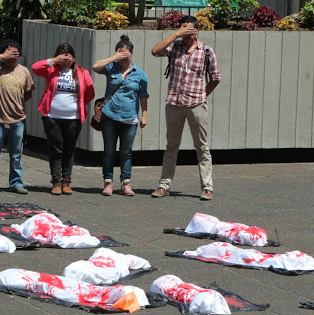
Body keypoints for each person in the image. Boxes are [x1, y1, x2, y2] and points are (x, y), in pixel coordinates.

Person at [150, 16, 220, 200]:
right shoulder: (174, 46)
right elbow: (155, 51)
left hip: (196, 104)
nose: (184, 32)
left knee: (201, 147)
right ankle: (164, 186)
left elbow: (215, 77)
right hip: (174, 103)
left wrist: (203, 95)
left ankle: (207, 187)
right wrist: (176, 34)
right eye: (182, 28)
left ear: (196, 31)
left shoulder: (205, 51)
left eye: (188, 29)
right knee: (171, 146)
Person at [32, 43, 95, 195]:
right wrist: (53, 61)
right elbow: (35, 67)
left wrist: (77, 105)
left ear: (74, 58)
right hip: (52, 116)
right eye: (62, 55)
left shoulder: (82, 72)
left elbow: (90, 92)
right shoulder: (52, 70)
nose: (66, 58)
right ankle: (56, 181)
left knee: (69, 149)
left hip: (73, 117)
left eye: (68, 55)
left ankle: (66, 181)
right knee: (56, 149)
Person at [93, 35, 149, 197]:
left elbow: (143, 95)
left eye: (127, 53)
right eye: (121, 53)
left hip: (130, 117)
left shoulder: (139, 73)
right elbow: (95, 67)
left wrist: (144, 115)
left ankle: (126, 183)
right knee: (109, 150)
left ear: (132, 53)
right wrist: (114, 57)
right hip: (109, 115)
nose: (124, 57)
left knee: (126, 152)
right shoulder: (111, 67)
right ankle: (108, 182)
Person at [0, 39, 35, 195]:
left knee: (16, 154)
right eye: (11, 52)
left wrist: (20, 104)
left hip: (18, 120)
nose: (14, 56)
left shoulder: (24, 70)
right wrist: (2, 55)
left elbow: (29, 91)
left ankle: (16, 182)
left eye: (16, 52)